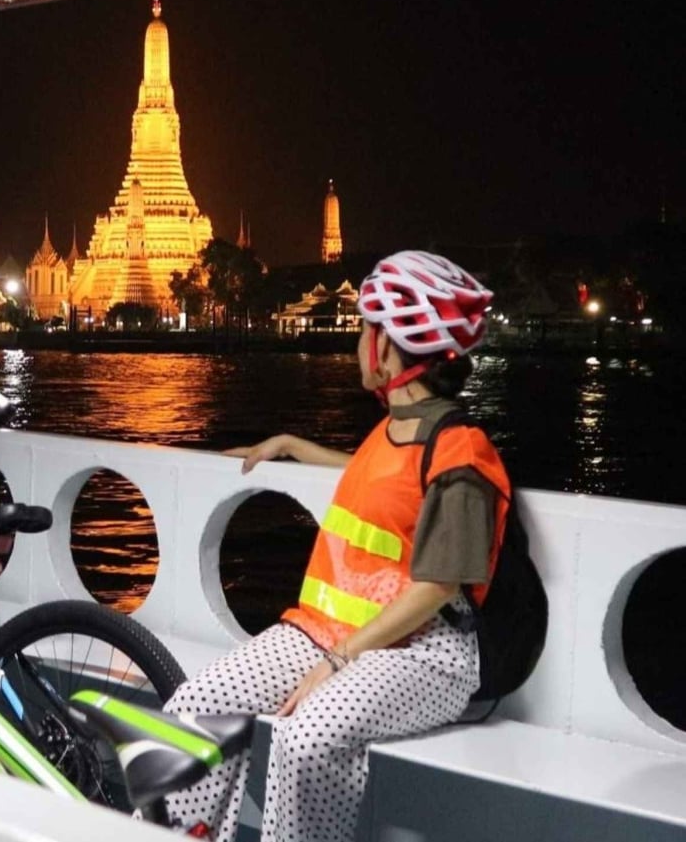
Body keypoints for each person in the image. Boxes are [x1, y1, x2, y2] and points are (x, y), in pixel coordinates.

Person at [164, 250, 511, 842]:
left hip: (424, 655)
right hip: (327, 632)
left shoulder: (463, 453)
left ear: (389, 349)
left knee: (306, 738)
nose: (357, 346)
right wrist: (294, 445)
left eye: (364, 332)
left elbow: (439, 586)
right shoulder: (393, 433)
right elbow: (381, 480)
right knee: (194, 707)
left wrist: (339, 658)